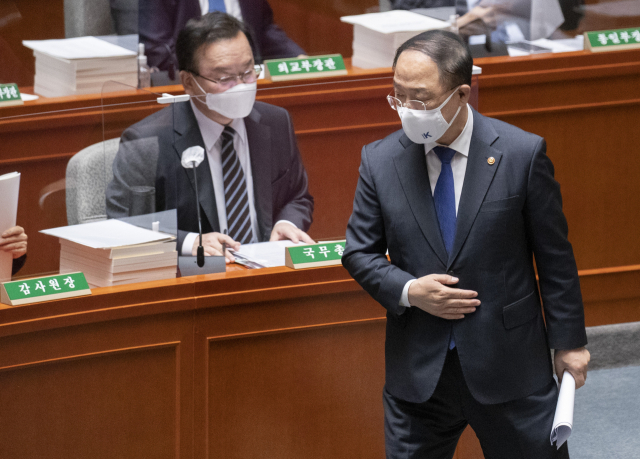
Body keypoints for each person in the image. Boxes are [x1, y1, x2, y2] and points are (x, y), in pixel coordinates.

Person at [342, 30, 589, 458]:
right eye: (398, 96)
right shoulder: (380, 160)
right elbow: (358, 252)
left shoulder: (521, 153)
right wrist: (408, 290)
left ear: (461, 93)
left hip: (509, 365)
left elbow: (555, 260)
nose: (407, 110)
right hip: (419, 372)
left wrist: (569, 343)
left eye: (420, 99)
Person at [106, 12, 314, 262]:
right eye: (224, 78)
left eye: (248, 72)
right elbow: (123, 225)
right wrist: (189, 241)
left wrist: (286, 222)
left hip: (268, 271)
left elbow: (297, 195)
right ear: (189, 82)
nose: (241, 86)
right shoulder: (146, 142)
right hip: (195, 282)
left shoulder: (275, 121)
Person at [138, 0, 305, 77]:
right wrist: (210, 75)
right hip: (196, 87)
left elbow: (263, 29)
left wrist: (297, 59)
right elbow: (157, 49)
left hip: (250, 81)